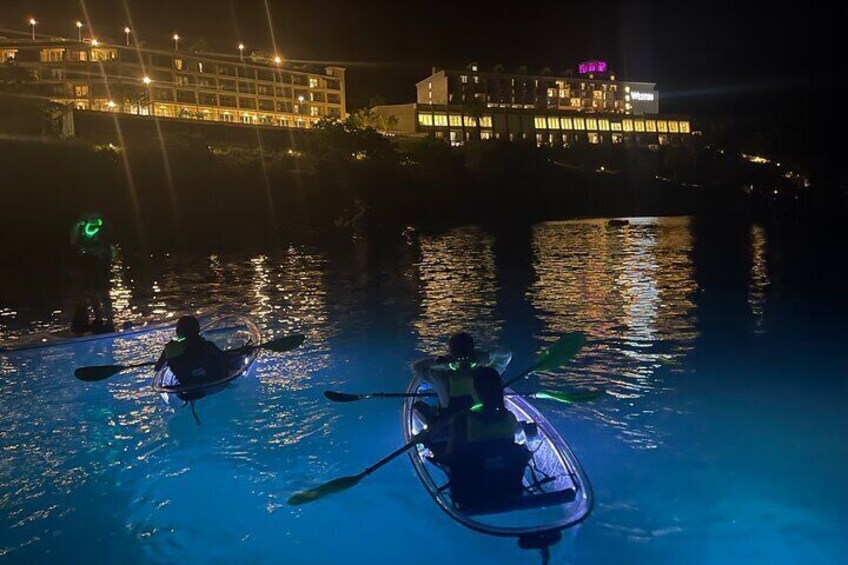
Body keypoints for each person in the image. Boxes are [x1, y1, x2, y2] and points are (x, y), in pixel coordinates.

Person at [443, 366, 530, 512]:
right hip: (509, 491)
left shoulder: (462, 419)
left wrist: (427, 444)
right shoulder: (510, 418)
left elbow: (450, 457)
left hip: (470, 496)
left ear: (474, 390)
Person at [411, 332, 511, 428]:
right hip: (480, 419)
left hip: (451, 424)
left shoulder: (441, 376)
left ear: (450, 351)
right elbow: (505, 354)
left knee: (418, 407)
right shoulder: (488, 373)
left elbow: (417, 367)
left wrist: (440, 361)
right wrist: (487, 355)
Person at [154, 316, 233, 391]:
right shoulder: (206, 346)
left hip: (185, 383)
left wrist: (168, 360)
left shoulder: (170, 348)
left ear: (178, 331)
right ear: (197, 330)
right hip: (211, 379)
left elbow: (157, 368)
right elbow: (224, 358)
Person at [70, 213, 115, 334]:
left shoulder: (104, 227)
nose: (92, 219)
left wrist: (106, 257)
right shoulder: (82, 226)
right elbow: (74, 241)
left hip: (100, 264)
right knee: (91, 292)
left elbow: (110, 245)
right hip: (87, 264)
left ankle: (110, 322)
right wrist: (77, 225)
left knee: (103, 292)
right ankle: (98, 319)